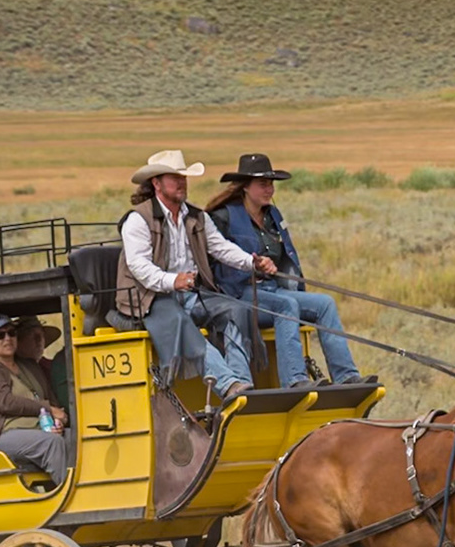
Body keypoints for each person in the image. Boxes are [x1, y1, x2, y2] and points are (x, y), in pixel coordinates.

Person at [115, 150, 271, 405]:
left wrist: (251, 262)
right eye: (175, 178)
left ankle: (243, 382)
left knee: (236, 310)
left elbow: (220, 247)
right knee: (179, 321)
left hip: (192, 293)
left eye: (183, 177)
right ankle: (228, 384)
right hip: (149, 298)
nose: (182, 183)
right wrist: (171, 281)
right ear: (156, 183)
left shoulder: (197, 216)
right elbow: (138, 266)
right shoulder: (138, 219)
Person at [206, 153, 368, 390]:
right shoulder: (222, 217)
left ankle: (346, 375)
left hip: (274, 291)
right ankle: (294, 380)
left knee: (325, 304)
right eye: (263, 184)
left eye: (271, 183)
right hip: (240, 295)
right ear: (245, 187)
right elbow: (213, 260)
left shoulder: (273, 216)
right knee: (287, 307)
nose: (269, 189)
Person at [0, 315, 71, 482]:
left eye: (12, 333)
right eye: (0, 335)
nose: (7, 338)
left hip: (41, 427)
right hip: (2, 435)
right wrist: (48, 409)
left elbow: (50, 397)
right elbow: (5, 403)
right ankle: (68, 497)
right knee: (52, 443)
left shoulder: (28, 365)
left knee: (74, 436)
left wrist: (59, 421)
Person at [13, 316, 70, 409]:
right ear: (19, 341)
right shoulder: (11, 369)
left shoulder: (52, 366)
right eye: (32, 336)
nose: (39, 340)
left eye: (42, 335)